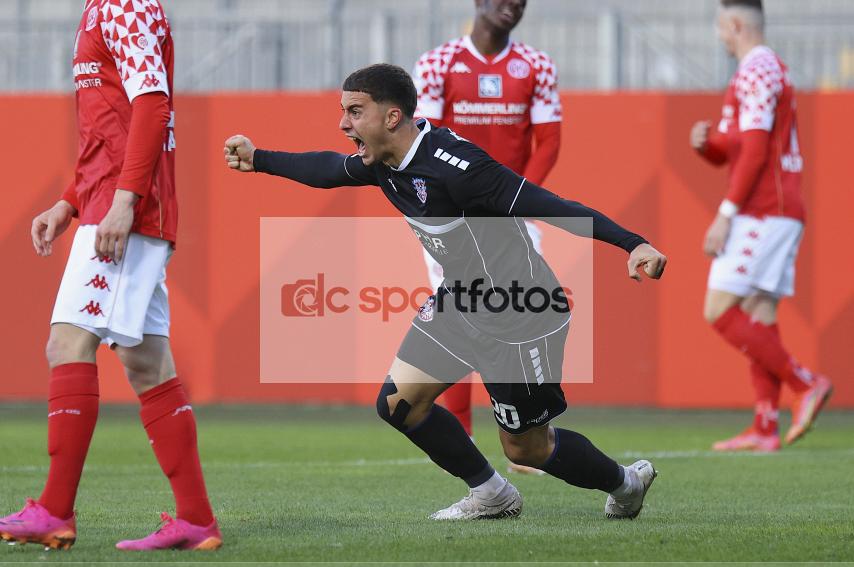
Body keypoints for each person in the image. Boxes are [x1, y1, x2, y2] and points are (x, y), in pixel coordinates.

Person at [225, 63, 666, 520]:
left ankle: (626, 484)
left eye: (355, 112)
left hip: (521, 311)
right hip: (462, 302)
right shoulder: (384, 162)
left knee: (526, 448)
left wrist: (632, 243)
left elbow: (550, 205)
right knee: (399, 405)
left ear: (392, 117)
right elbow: (329, 168)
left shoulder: (460, 168)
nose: (343, 124)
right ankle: (492, 494)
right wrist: (260, 159)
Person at [0, 0, 220, 551]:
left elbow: (152, 104)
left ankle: (53, 510)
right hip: (107, 204)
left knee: (67, 343)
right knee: (146, 362)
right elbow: (109, 130)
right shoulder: (100, 11)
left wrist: (124, 204)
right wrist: (69, 202)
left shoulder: (126, 6)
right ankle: (195, 520)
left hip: (125, 211)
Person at [413, 0, 561, 474]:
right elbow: (427, 141)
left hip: (512, 217)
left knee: (523, 312)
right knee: (462, 312)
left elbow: (549, 140)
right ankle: (463, 439)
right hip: (453, 219)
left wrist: (517, 203)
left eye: (520, 1)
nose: (511, 6)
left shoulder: (536, 65)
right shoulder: (438, 63)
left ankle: (527, 434)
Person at [690, 0, 832, 452]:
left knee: (719, 310)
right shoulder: (768, 70)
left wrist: (725, 215)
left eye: (720, 28)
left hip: (764, 209)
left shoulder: (756, 69)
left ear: (734, 24)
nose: (719, 37)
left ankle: (804, 383)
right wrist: (707, 146)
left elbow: (753, 152)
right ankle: (765, 427)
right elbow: (739, 148)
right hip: (781, 209)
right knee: (760, 315)